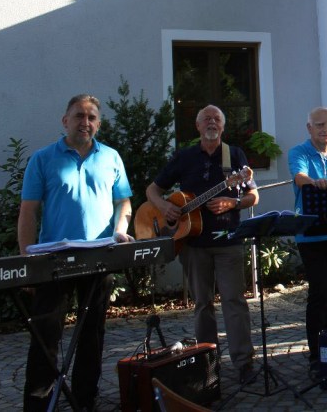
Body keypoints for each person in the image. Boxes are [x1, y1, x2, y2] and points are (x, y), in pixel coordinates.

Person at [18, 94, 134, 411]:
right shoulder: (42, 159)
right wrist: (28, 263)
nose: (86, 122)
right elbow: (28, 212)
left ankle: (86, 398)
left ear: (98, 123)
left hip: (99, 257)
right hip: (52, 261)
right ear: (65, 120)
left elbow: (123, 202)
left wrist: (121, 227)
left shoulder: (111, 157)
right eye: (79, 116)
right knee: (46, 334)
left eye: (92, 117)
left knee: (92, 334)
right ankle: (38, 403)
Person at [145, 105, 258, 384]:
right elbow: (152, 190)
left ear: (223, 126)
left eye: (217, 119)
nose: (211, 122)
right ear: (197, 126)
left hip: (228, 240)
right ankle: (208, 365)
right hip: (193, 243)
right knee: (202, 305)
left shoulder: (235, 156)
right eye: (206, 118)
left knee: (234, 301)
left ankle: (244, 363)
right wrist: (166, 208)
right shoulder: (184, 157)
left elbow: (253, 195)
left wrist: (233, 201)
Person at [289, 107, 327, 375]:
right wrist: (314, 182)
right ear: (309, 128)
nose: (326, 130)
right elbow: (299, 176)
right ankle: (317, 353)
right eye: (320, 125)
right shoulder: (299, 151)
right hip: (311, 233)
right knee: (320, 292)